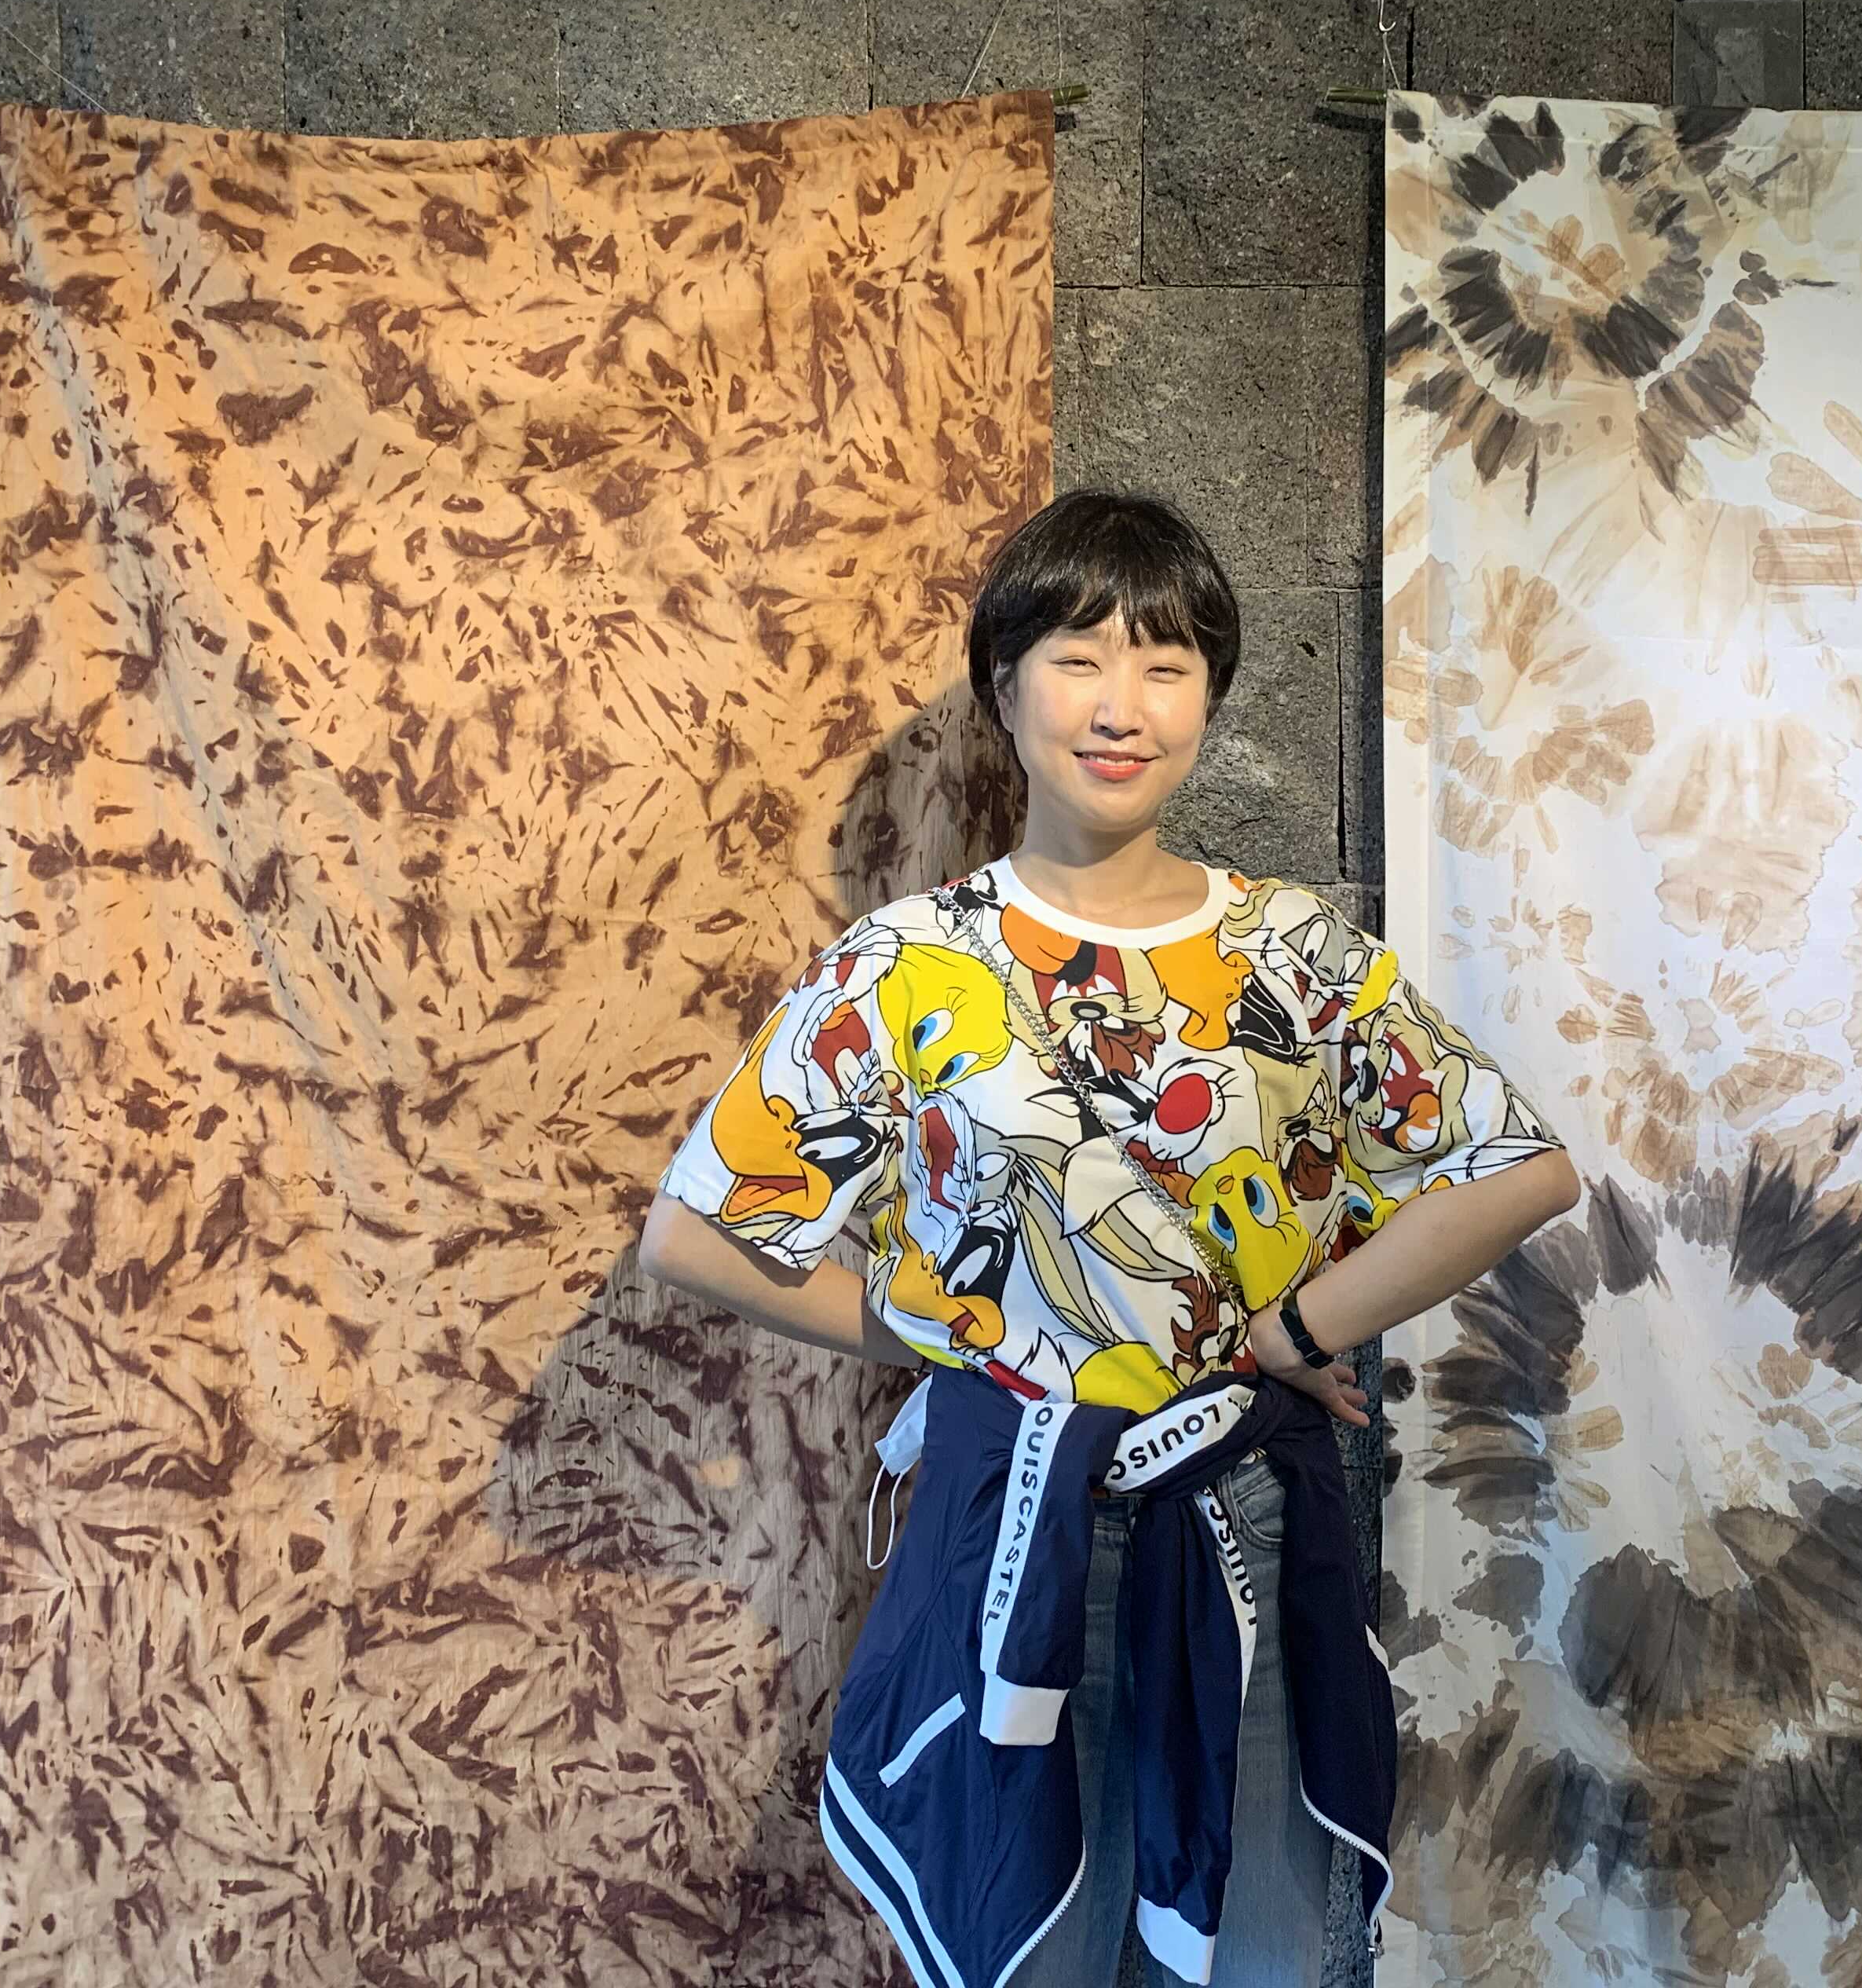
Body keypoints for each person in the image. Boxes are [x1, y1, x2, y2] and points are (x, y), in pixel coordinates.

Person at [639, 487, 1578, 1988]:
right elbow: (699, 1236)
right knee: (1036, 1948)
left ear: (1210, 696)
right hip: (1011, 1528)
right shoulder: (905, 964)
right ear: (1005, 689)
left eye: (1166, 662)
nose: (1121, 705)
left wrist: (1295, 1328)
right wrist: (953, 1330)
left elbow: (1517, 1170)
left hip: (1246, 1526)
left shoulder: (1294, 954)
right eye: (1078, 658)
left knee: (1264, 1945)